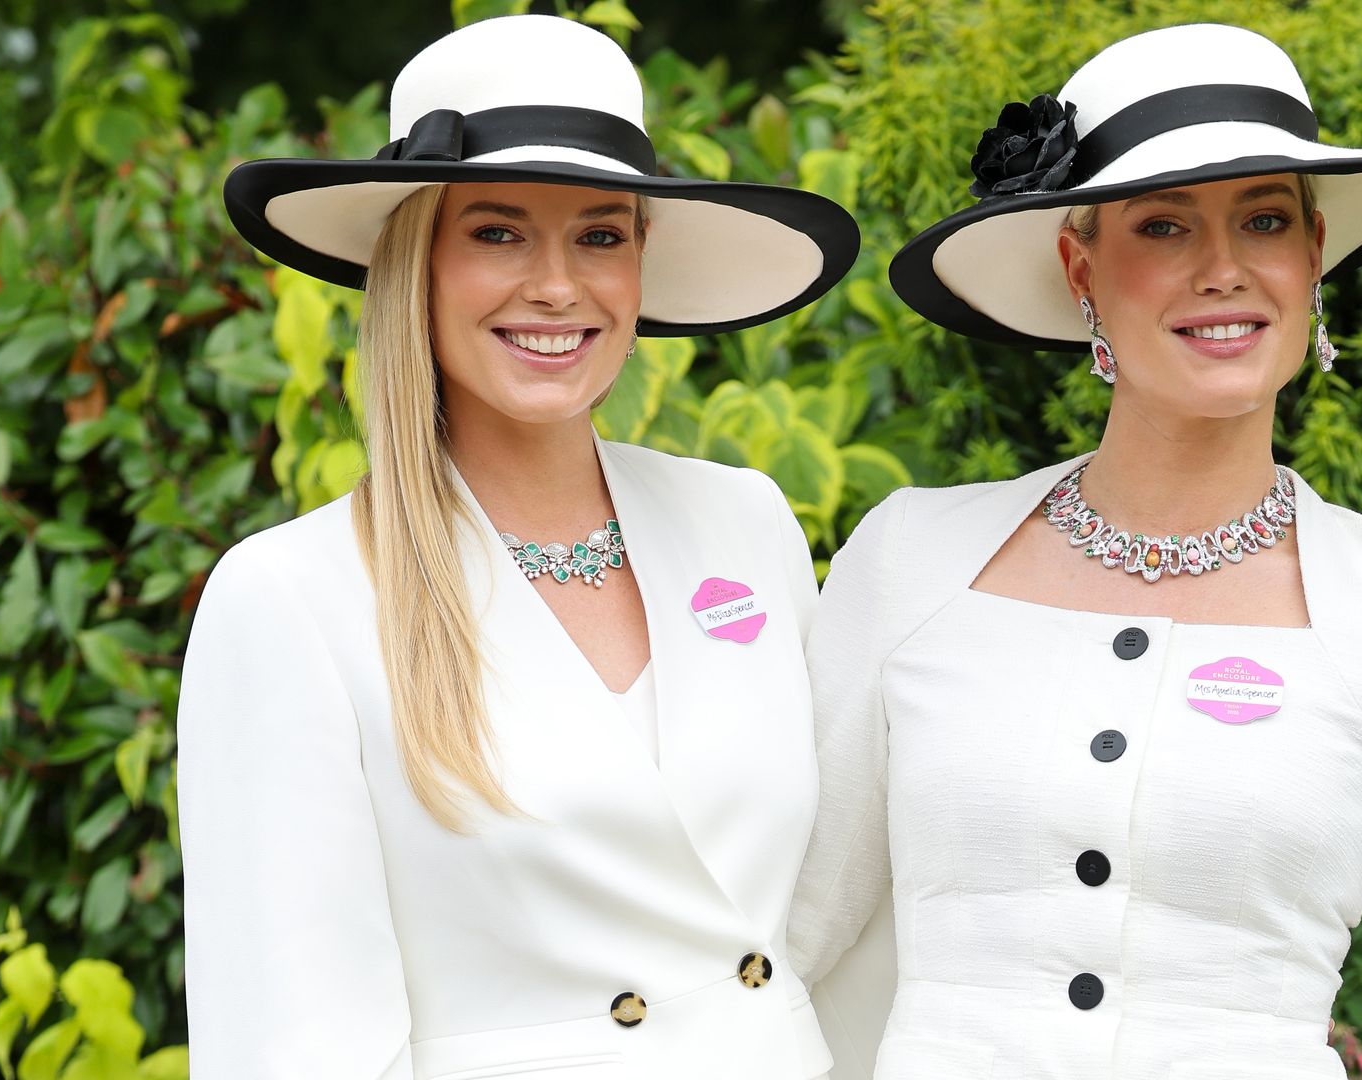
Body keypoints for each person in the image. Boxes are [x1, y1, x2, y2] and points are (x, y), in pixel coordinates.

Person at [790, 23, 1362, 1079]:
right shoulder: (911, 562)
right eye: (1163, 226)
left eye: (1265, 220)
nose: (1225, 270)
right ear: (1080, 268)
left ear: (1315, 256)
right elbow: (787, 942)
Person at [179, 15, 858, 1079]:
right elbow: (296, 1040)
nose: (557, 285)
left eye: (601, 235)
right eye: (497, 233)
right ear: (418, 265)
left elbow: (831, 916)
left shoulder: (745, 520)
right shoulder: (290, 597)